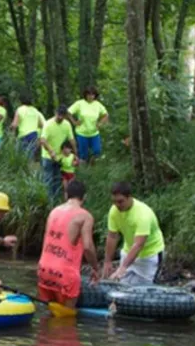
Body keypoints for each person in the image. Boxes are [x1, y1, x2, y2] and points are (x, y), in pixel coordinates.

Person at [36, 180, 99, 310]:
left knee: (48, 315)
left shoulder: (53, 212)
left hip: (44, 269)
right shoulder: (85, 216)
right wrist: (95, 268)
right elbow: (87, 246)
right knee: (66, 320)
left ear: (66, 195)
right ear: (84, 197)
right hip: (65, 274)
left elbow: (45, 240)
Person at [102, 181, 165, 285]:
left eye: (120, 201)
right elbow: (112, 236)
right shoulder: (114, 211)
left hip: (150, 254)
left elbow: (139, 244)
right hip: (128, 250)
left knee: (146, 290)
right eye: (114, 201)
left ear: (129, 197)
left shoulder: (143, 214)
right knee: (122, 287)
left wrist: (123, 267)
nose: (117, 205)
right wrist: (108, 261)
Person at [39, 106, 77, 201]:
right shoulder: (48, 124)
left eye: (62, 115)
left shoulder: (67, 125)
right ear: (55, 113)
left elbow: (71, 139)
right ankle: (48, 200)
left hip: (60, 157)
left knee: (57, 179)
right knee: (48, 179)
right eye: (59, 115)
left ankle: (55, 200)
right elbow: (43, 140)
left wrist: (76, 153)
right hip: (48, 156)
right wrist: (51, 151)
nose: (60, 117)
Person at [68, 86, 109, 165]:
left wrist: (100, 123)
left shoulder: (98, 105)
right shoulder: (79, 103)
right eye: (89, 94)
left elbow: (106, 115)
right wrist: (74, 122)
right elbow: (68, 112)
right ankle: (84, 171)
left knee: (97, 151)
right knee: (83, 155)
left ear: (95, 95)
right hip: (82, 133)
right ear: (85, 95)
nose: (91, 96)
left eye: (93, 94)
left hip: (94, 133)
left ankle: (93, 168)